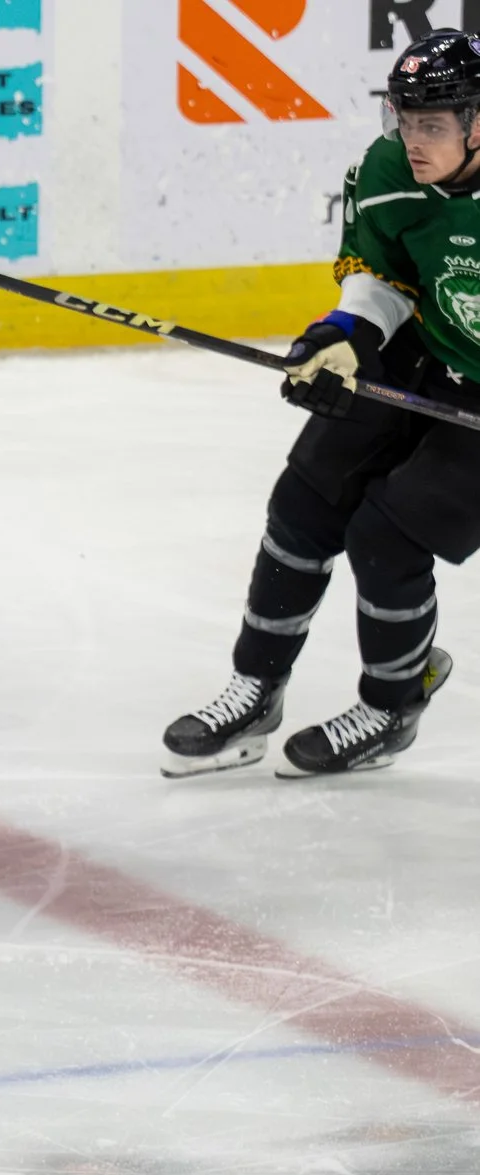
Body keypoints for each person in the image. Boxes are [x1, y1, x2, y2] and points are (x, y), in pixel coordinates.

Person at [162, 31, 480, 777]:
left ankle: (392, 704)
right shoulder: (388, 171)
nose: (412, 140)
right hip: (430, 350)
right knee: (306, 500)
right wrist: (344, 333)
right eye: (403, 119)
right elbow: (383, 276)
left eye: (431, 124)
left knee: (387, 534)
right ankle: (256, 690)